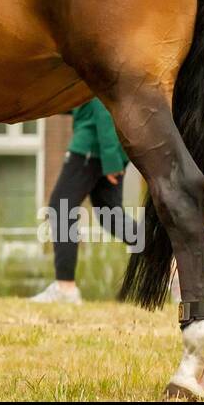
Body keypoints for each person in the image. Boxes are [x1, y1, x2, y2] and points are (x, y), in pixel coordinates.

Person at [31, 98, 137, 303]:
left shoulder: (92, 66)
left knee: (60, 208)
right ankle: (168, 260)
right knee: (111, 216)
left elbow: (103, 106)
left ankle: (65, 287)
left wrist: (111, 160)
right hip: (105, 149)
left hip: (91, 146)